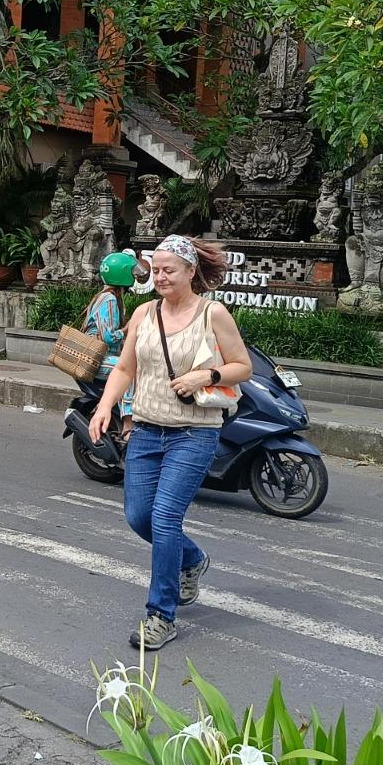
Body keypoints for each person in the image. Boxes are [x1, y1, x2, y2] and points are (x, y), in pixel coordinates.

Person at [88, 234, 251, 652]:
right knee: (139, 516)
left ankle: (160, 615)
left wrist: (206, 376)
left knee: (164, 520)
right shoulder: (143, 313)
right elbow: (125, 367)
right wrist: (105, 407)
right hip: (145, 429)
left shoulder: (213, 314)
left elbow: (242, 367)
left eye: (168, 270)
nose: (159, 277)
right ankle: (193, 559)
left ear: (190, 271)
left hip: (194, 433)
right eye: (155, 270)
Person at [83, 251, 140, 439]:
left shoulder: (109, 296)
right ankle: (128, 424)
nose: (134, 275)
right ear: (122, 273)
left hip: (99, 357)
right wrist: (127, 329)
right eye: (131, 272)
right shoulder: (108, 300)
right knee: (127, 371)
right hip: (95, 360)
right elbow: (108, 337)